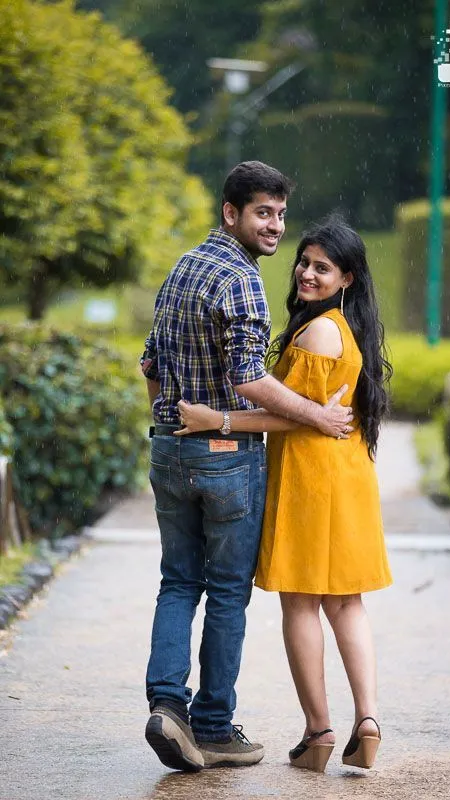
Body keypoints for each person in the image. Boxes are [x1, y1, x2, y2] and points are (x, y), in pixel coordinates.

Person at [140, 163, 354, 773]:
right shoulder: (242, 282)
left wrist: (166, 429)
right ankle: (210, 725)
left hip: (168, 448)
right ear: (230, 212)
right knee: (228, 592)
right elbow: (246, 378)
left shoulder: (182, 267)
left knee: (178, 581)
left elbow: (150, 364)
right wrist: (315, 413)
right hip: (227, 459)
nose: (276, 226)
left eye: (281, 213)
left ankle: (165, 706)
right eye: (264, 212)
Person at [176, 215, 393, 773]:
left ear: (347, 278)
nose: (307, 273)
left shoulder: (318, 331)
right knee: (346, 603)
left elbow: (292, 417)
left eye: (323, 267)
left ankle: (318, 731)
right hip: (345, 476)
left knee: (302, 601)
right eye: (305, 261)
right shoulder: (344, 328)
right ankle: (367, 720)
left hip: (311, 478)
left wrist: (214, 419)